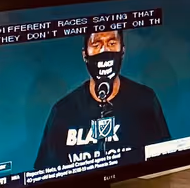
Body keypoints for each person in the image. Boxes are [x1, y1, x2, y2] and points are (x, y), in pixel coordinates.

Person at [32, 27, 170, 172]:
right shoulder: (63, 111)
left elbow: (164, 159)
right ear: (85, 55)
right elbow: (45, 174)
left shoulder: (145, 99)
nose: (104, 51)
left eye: (111, 43)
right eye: (96, 45)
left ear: (122, 51)